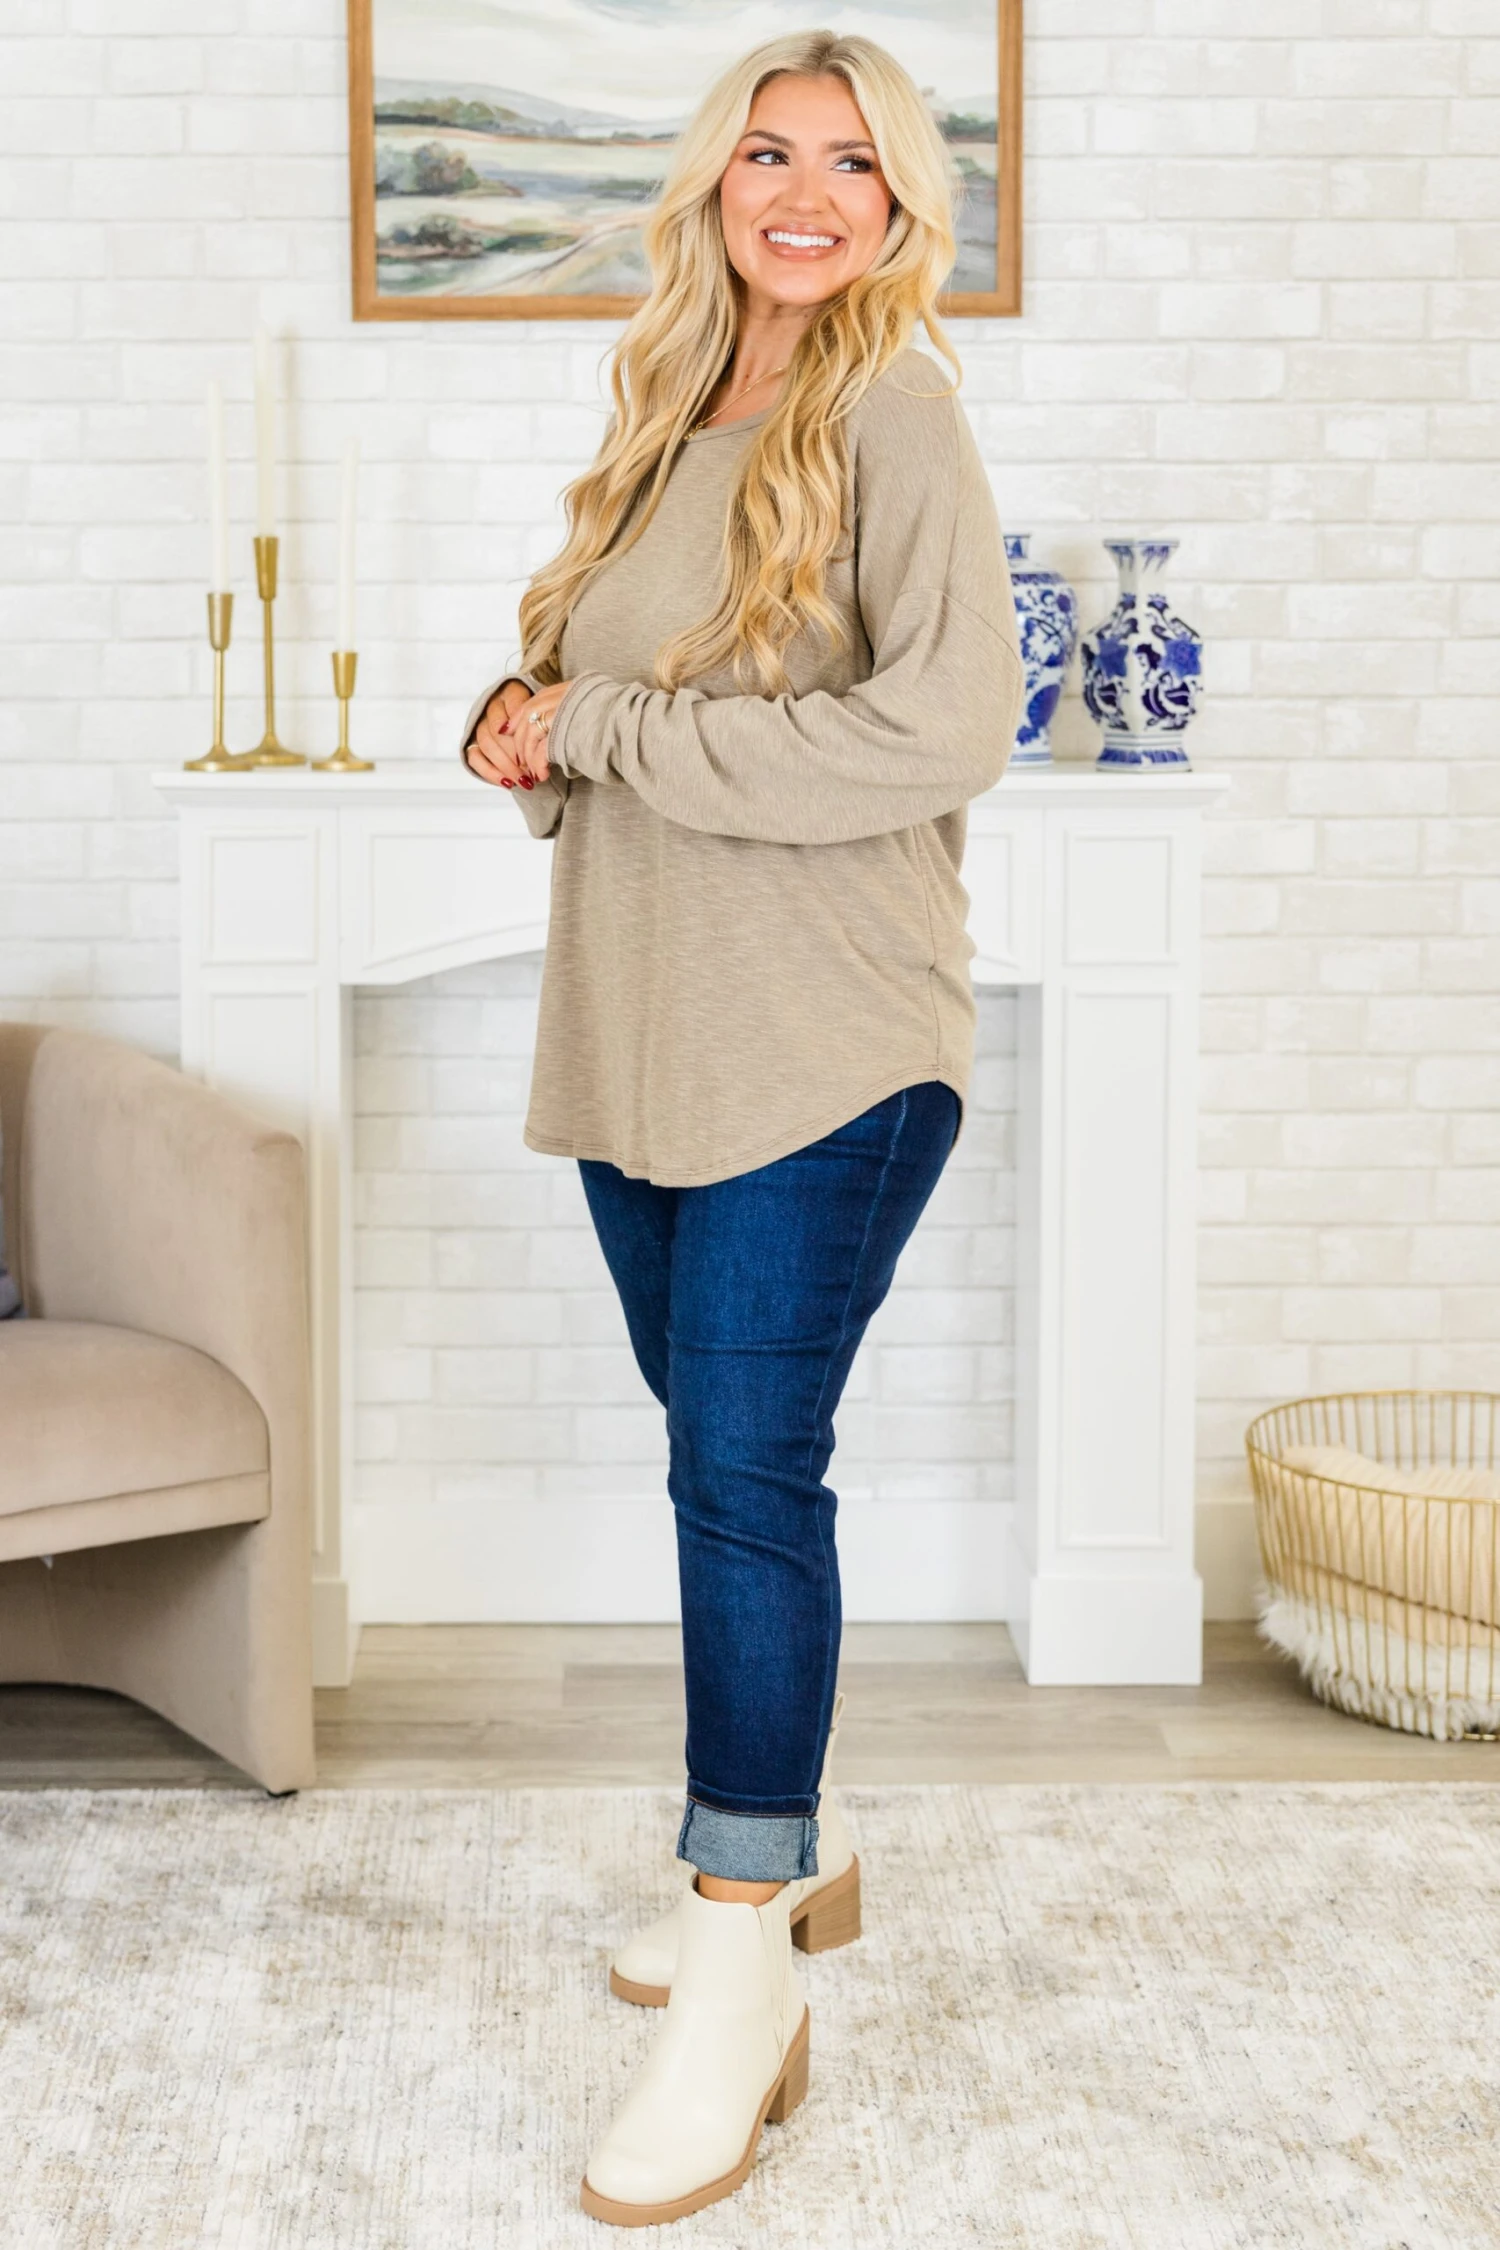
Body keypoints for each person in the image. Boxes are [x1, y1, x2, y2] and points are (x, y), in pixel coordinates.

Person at [461, 28, 1023, 2228]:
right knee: (719, 1458)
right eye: (768, 154)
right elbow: (600, 686)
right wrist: (523, 718)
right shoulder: (670, 405)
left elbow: (943, 729)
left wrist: (608, 725)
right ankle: (799, 1846)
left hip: (830, 1041)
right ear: (713, 186)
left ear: (899, 206)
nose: (805, 193)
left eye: (852, 162)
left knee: (743, 1475)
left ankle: (738, 1969)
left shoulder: (899, 410)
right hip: (642, 1033)